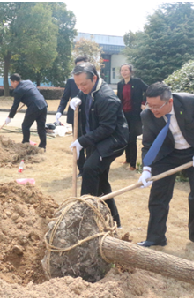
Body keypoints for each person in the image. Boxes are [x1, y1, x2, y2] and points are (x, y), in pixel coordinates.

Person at [137, 82, 194, 251]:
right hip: (168, 154)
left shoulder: (190, 102)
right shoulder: (148, 115)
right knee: (159, 194)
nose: (153, 110)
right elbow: (148, 144)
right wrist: (146, 168)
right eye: (149, 105)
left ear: (170, 102)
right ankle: (156, 236)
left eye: (157, 106)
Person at [70, 63, 129, 228]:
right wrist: (77, 99)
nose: (81, 88)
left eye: (84, 84)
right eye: (77, 85)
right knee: (101, 181)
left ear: (94, 78)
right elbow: (84, 96)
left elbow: (107, 128)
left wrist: (82, 141)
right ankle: (115, 222)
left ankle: (83, 216)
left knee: (90, 169)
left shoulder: (106, 97)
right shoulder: (88, 90)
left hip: (113, 139)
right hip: (98, 138)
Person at [56, 55, 89, 177]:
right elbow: (65, 97)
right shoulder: (71, 81)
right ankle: (81, 169)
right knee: (77, 142)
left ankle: (90, 167)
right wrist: (60, 110)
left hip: (88, 116)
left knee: (89, 142)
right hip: (75, 117)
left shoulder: (91, 80)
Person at [117, 64, 148, 171]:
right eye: (122, 70)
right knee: (126, 136)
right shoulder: (119, 84)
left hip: (134, 114)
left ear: (130, 71)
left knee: (132, 138)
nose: (124, 72)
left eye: (126, 70)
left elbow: (148, 90)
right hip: (124, 114)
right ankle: (128, 159)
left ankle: (133, 164)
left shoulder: (137, 82)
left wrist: (143, 102)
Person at [5, 73, 48, 150]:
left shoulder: (17, 90)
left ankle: (25, 143)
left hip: (34, 106)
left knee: (25, 126)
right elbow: (36, 90)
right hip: (43, 104)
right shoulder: (28, 82)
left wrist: (10, 117)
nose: (11, 85)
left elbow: (15, 105)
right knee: (41, 127)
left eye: (11, 82)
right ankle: (43, 146)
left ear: (15, 81)